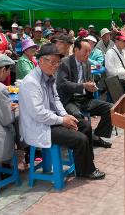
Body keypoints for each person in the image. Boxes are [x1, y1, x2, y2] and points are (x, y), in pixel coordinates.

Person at [19, 43, 105, 179]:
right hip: (40, 126)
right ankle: (86, 170)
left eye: (58, 62)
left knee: (85, 126)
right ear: (41, 61)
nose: (55, 65)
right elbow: (38, 113)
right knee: (80, 138)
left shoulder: (49, 77)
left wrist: (65, 115)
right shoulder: (31, 82)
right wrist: (62, 120)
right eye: (52, 62)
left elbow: (56, 99)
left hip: (51, 120)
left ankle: (85, 163)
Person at [56, 39, 113, 148]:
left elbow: (101, 68)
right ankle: (81, 143)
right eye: (85, 51)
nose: (88, 54)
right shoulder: (65, 62)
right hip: (70, 100)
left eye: (89, 52)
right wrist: (83, 86)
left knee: (111, 108)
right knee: (78, 117)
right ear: (76, 50)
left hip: (85, 99)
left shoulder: (88, 63)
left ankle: (96, 137)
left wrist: (92, 86)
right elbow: (62, 84)